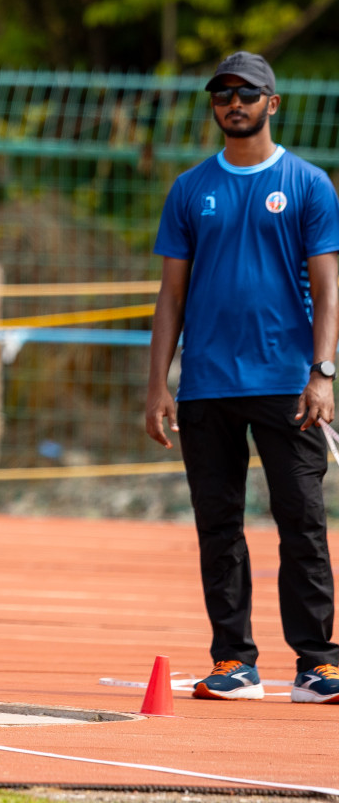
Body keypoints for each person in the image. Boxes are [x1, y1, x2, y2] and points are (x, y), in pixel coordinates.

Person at [145, 51, 339, 704]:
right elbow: (170, 296)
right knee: (218, 525)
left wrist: (323, 372)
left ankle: (318, 663)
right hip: (206, 386)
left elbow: (328, 288)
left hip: (288, 383)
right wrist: (157, 386)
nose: (234, 102)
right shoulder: (189, 190)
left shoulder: (310, 185)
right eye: (223, 93)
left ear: (271, 103)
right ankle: (234, 661)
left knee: (302, 521)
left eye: (247, 93)